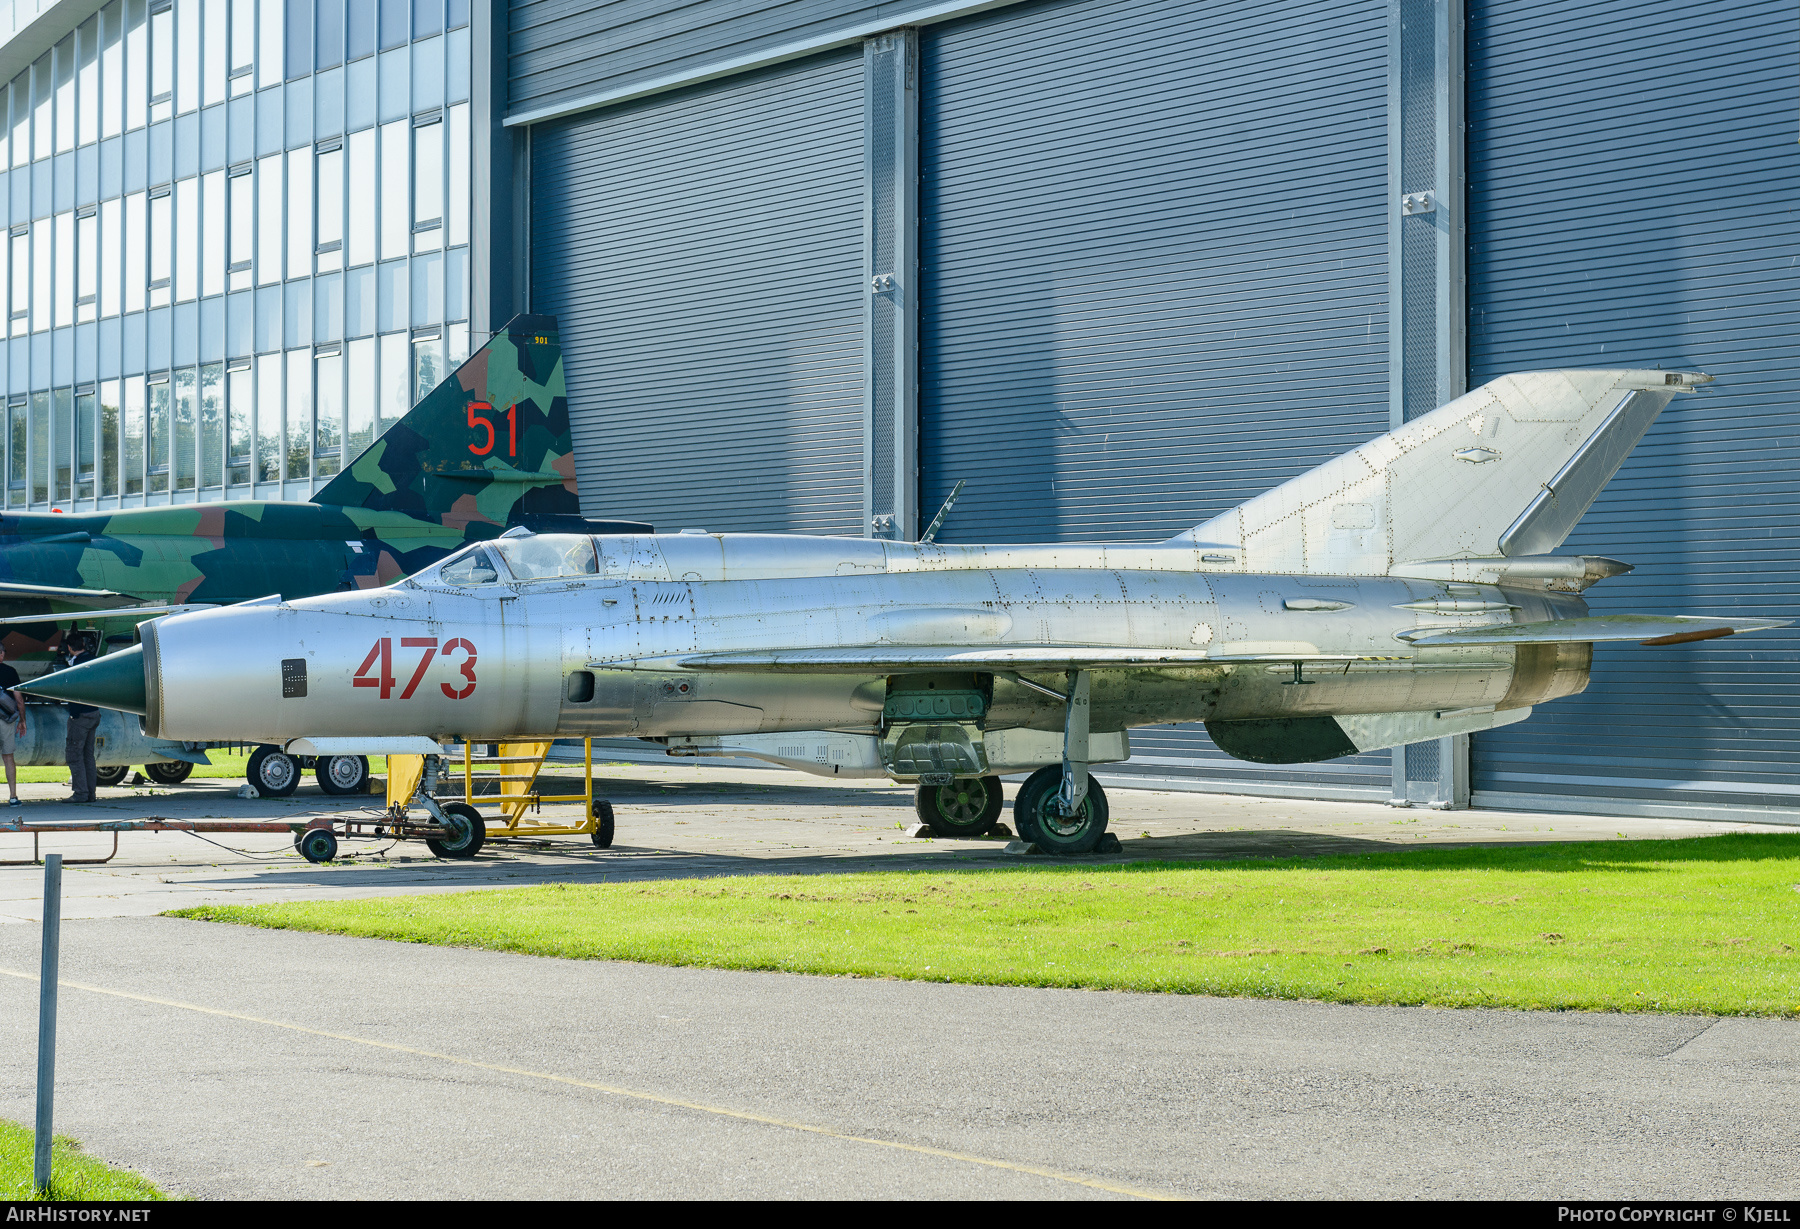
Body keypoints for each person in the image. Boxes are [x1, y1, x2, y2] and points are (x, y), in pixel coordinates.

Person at [58, 632, 100, 804]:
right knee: (88, 756)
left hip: (80, 716)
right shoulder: (94, 660)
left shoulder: (76, 664)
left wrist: (73, 715)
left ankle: (80, 793)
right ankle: (91, 793)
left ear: (69, 647)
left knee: (75, 755)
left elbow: (72, 691)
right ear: (83, 644)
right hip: (94, 713)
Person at [0, 643, 26, 807]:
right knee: (8, 757)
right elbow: (19, 700)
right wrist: (22, 720)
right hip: (5, 721)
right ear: (2, 654)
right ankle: (13, 796)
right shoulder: (10, 672)